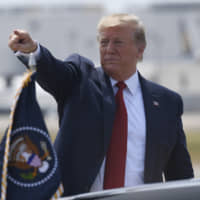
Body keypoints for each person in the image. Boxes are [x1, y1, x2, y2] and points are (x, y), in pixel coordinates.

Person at [8, 13, 194, 197]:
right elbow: (54, 71)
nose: (109, 49)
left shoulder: (167, 103)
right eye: (104, 42)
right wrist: (32, 51)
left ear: (140, 49)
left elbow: (179, 174)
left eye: (118, 42)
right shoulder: (80, 80)